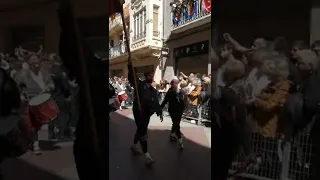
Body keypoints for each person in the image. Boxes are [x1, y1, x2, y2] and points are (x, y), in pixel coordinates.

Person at [17, 55, 55, 155]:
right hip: (30, 101)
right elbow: (18, 87)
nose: (37, 65)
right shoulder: (24, 74)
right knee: (31, 125)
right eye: (34, 63)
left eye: (38, 63)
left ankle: (35, 141)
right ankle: (35, 144)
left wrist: (50, 86)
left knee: (41, 125)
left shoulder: (44, 73)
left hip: (43, 101)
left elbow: (51, 83)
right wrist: (21, 95)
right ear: (30, 64)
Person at [128, 61, 163, 166]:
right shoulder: (139, 84)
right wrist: (130, 67)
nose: (150, 75)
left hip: (147, 114)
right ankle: (147, 156)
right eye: (148, 74)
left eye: (152, 74)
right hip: (139, 112)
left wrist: (159, 112)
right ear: (145, 75)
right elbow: (131, 78)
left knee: (140, 129)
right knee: (143, 131)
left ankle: (134, 145)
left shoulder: (153, 90)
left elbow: (156, 103)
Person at [160, 77, 186, 149]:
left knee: (176, 124)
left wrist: (183, 109)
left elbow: (183, 102)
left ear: (177, 84)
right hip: (172, 110)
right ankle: (180, 141)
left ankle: (172, 135)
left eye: (173, 84)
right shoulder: (170, 91)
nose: (172, 85)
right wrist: (160, 108)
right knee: (176, 124)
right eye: (171, 84)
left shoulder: (181, 91)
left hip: (179, 111)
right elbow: (165, 100)